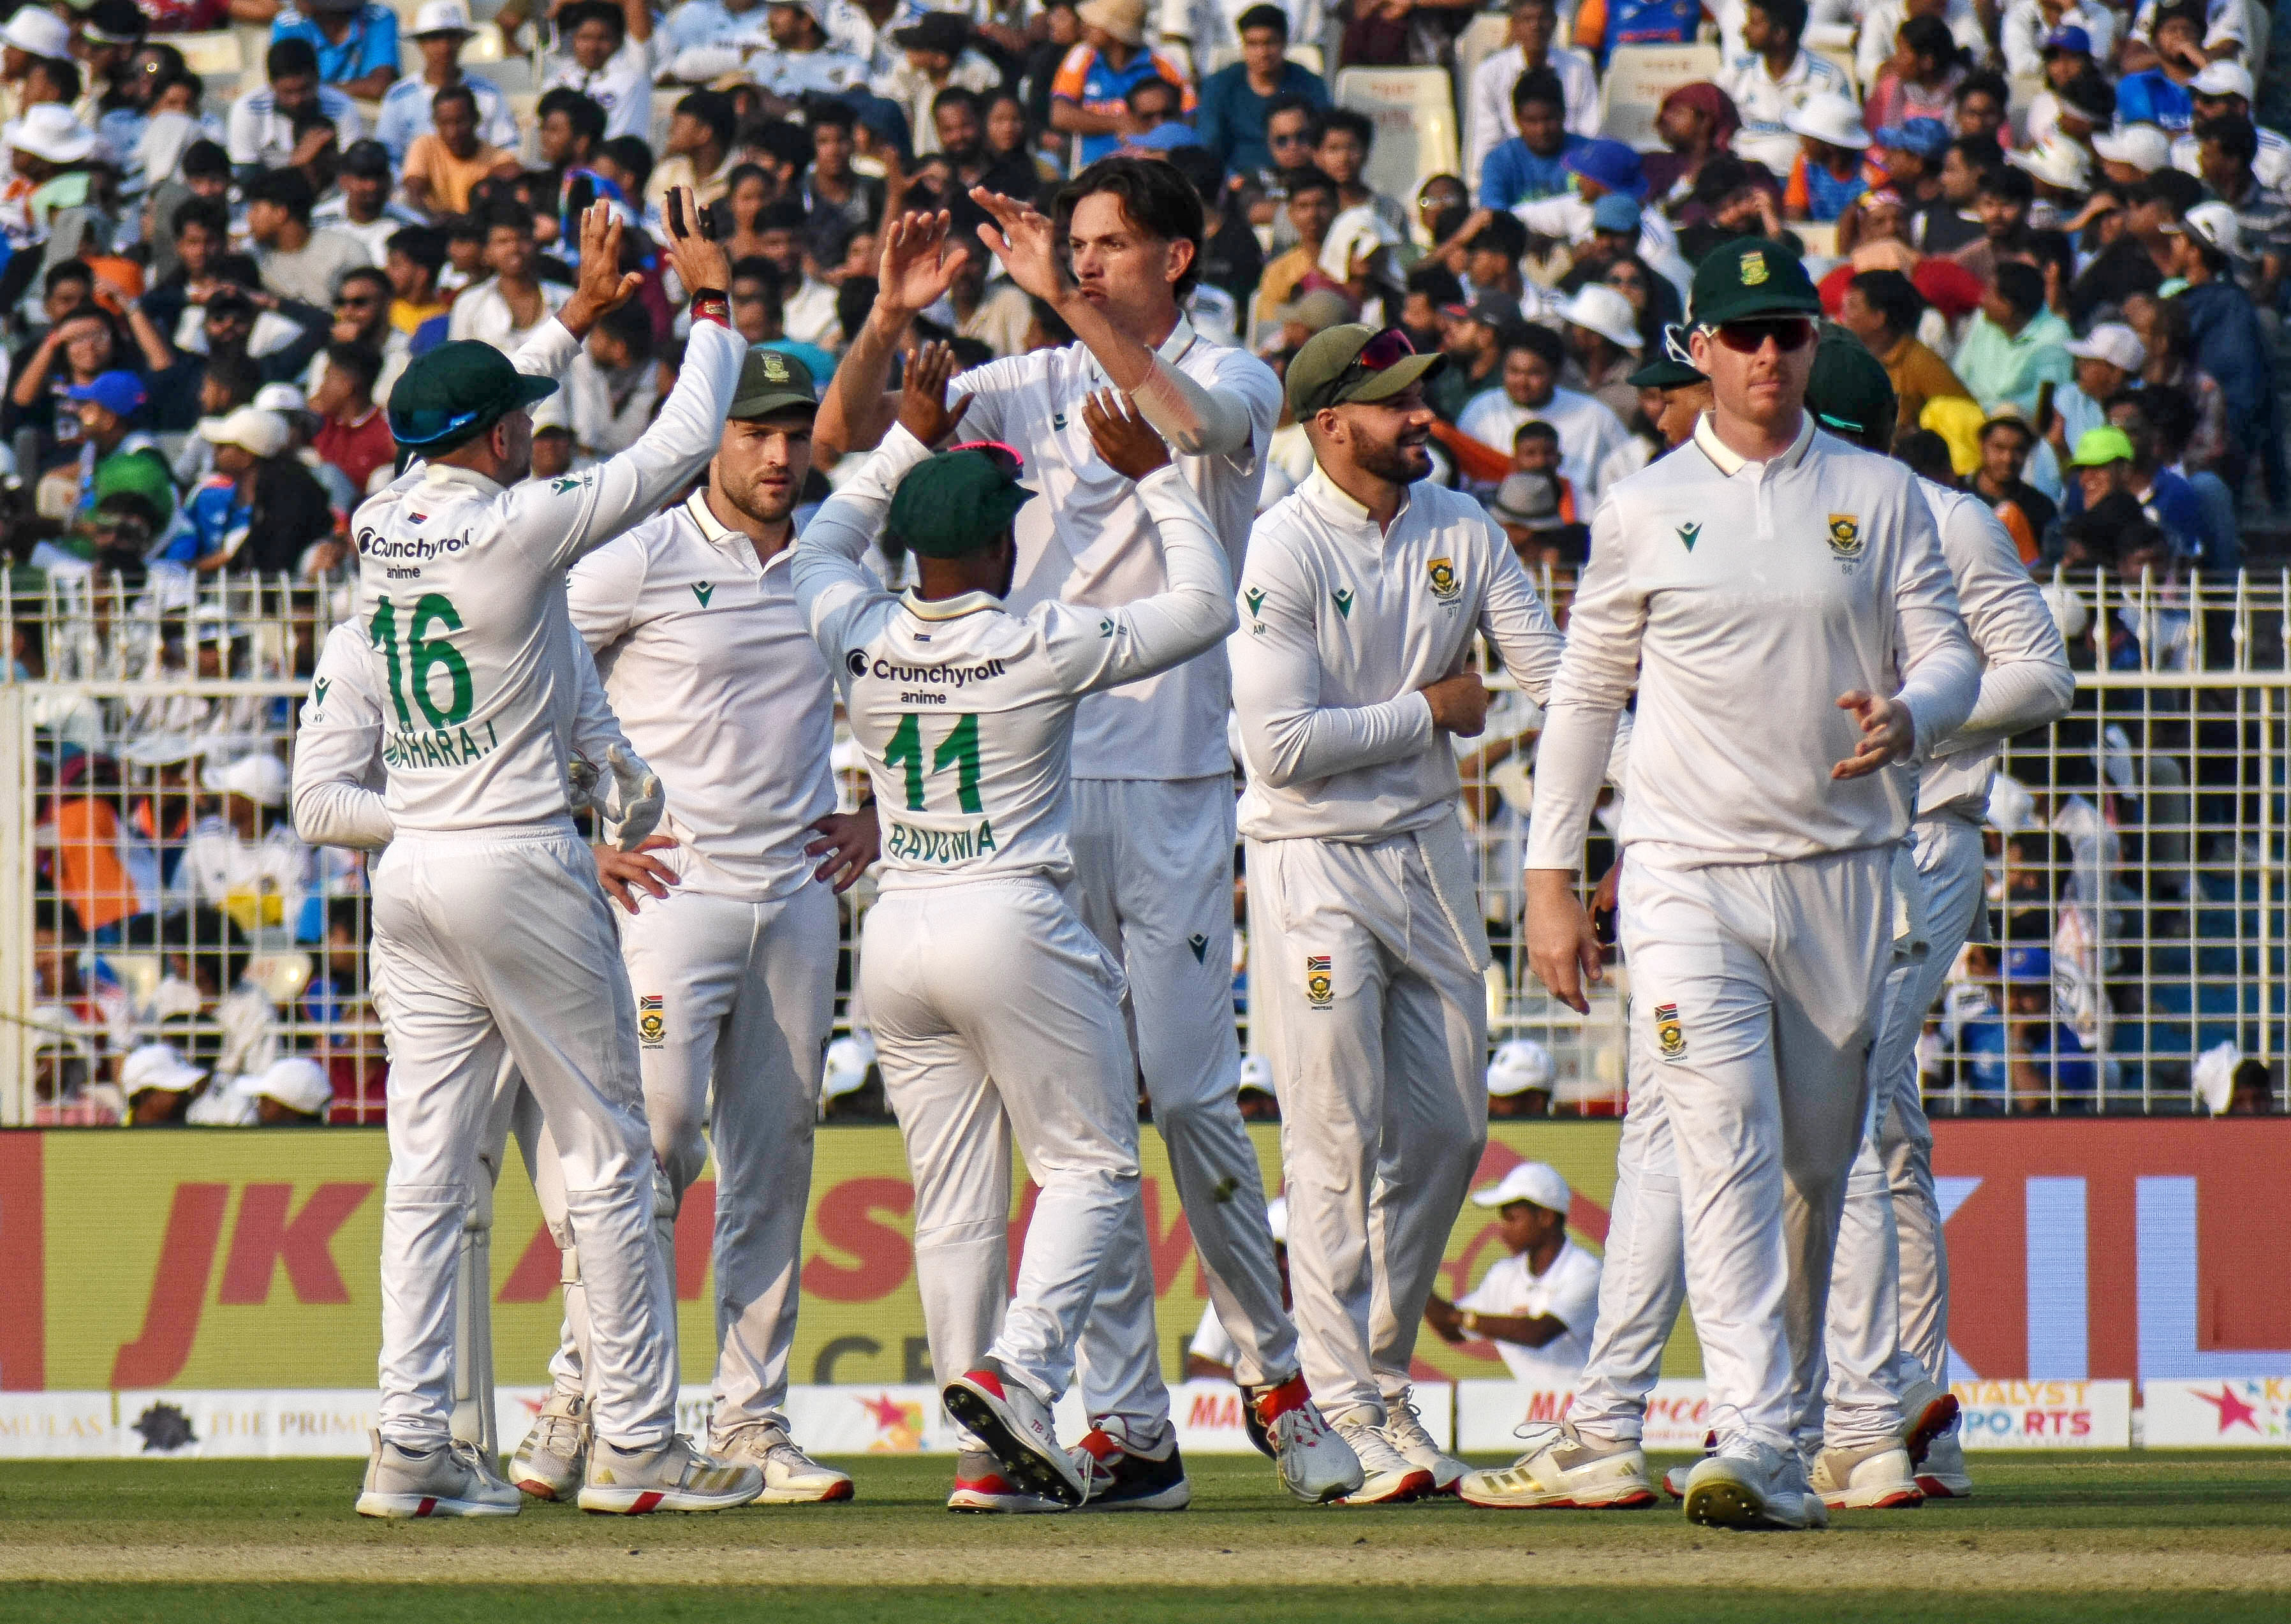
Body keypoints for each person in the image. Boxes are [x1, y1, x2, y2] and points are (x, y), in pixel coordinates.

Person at [817, 172, 1353, 1509]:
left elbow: (1188, 427)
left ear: (1178, 255)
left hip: (1168, 776)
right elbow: (844, 434)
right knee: (1082, 1119)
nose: (1092, 264)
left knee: (1186, 1095)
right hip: (1032, 785)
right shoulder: (1026, 378)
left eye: (1112, 247)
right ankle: (1128, 1424)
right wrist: (886, 320)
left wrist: (1061, 294)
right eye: (1079, 248)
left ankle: (1277, 1381)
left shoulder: (1231, 370)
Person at [1516, 240, 1977, 1530]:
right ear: (1698, 349)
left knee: (1818, 1170)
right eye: (1743, 334)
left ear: (1810, 343)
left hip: (1841, 871)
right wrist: (1551, 875)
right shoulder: (1640, 505)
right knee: (1721, 1141)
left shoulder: (1881, 494)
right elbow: (1585, 695)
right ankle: (1757, 1438)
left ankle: (1811, 1420)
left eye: (1786, 332)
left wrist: (1912, 713)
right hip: (1683, 875)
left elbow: (1948, 653)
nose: (1767, 355)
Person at [349, 195, 762, 1520]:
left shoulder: (377, 521)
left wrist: (572, 321)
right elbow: (682, 444)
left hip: (411, 868)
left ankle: (408, 1445)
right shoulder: (513, 525)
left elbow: (462, 427)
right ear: (494, 440)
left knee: (428, 1172)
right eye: (517, 420)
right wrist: (709, 303)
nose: (531, 430)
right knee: (609, 1158)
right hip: (518, 859)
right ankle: (636, 1445)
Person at [790, 342, 1241, 1512]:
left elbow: (820, 544)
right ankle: (1020, 1373)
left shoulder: (855, 629)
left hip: (896, 933)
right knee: (1091, 1166)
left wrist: (903, 440)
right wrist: (1154, 479)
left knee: (952, 1200)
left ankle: (982, 1458)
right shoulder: (1037, 641)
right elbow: (1205, 608)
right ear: (998, 548)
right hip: (1012, 919)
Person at [1229, 320, 1593, 1504]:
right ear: (1331, 423)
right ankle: (1344, 1404)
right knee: (1333, 1137)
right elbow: (1279, 749)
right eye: (1395, 402)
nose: (1422, 415)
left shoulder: (1459, 525)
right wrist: (1431, 707)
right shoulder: (1282, 545)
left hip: (1428, 855)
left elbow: (1554, 679)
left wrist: (1646, 785)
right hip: (1312, 861)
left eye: (1420, 394)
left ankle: (1380, 1386)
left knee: (1446, 1132)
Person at [509, 344, 876, 1505]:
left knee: (776, 1158)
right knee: (653, 1148)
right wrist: (574, 835)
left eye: (795, 433)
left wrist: (880, 810)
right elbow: (519, 674)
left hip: (797, 896)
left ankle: (751, 1423)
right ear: (712, 436)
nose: (779, 455)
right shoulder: (642, 554)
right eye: (755, 432)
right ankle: (585, 1394)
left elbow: (912, 681)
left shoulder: (832, 561)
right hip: (670, 892)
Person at [1769, 334, 2072, 1509]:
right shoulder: (1791, 520)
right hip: (1825, 847)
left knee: (1843, 1113)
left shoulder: (1949, 521)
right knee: (1885, 1127)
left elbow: (2041, 674)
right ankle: (1912, 1412)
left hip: (1924, 838)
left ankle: (1859, 1415)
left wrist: (1913, 719)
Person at [1424, 1162, 1602, 1389]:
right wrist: (1415, 1284)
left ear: (1546, 1217)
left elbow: (1537, 1333)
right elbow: (1454, 1331)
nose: (1503, 1230)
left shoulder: (1587, 1271)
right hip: (1535, 1406)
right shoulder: (1504, 1275)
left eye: (1512, 1218)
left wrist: (1460, 1317)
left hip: (1592, 1403)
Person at [1457, 323, 1632, 510]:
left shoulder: (1596, 416)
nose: (1522, 382)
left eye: (1534, 373)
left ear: (1556, 374)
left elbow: (1628, 473)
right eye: (1514, 371)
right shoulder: (1482, 410)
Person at [1466, 0, 1599, 186]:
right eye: (1527, 19)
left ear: (1554, 22)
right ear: (1514, 25)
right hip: (1513, 172)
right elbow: (1487, 140)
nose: (1535, 26)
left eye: (1543, 18)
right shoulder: (1489, 73)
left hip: (1567, 169)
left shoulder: (1579, 69)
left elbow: (1589, 132)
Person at [1050, 0, 1193, 172]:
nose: (1084, 26)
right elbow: (1060, 115)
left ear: (1115, 32)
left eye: (1095, 22)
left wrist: (1152, 132)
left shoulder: (1162, 63)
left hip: (1147, 173)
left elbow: (1190, 118)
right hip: (1090, 172)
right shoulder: (1082, 55)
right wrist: (1120, 122)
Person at [374, 0, 517, 163]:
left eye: (451, 37)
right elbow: (388, 157)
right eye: (435, 38)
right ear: (421, 44)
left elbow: (507, 148)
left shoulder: (489, 94)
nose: (444, 47)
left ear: (462, 41)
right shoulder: (399, 97)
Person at [1723, 0, 1853, 179]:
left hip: (1799, 178)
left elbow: (1838, 142)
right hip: (1741, 175)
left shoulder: (1827, 77)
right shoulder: (1737, 70)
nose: (1744, 30)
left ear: (1779, 34)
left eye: (1754, 23)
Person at [1195, 4, 1326, 181]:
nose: (1262, 53)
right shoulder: (1218, 86)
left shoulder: (1310, 85)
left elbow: (1323, 140)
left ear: (1285, 43)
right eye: (1253, 44)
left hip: (1301, 180)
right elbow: (1209, 146)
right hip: (1238, 182)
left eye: (1270, 43)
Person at [1839, 269, 1970, 436]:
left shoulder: (1921, 363)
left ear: (1878, 318)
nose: (1843, 316)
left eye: (1852, 307)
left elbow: (1965, 419)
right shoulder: (1845, 355)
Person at [1952, 261, 2072, 417]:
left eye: (1989, 295)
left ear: (2008, 307)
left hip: (2011, 422)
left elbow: (2045, 400)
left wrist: (1994, 411)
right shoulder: (1983, 319)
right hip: (1966, 411)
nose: (1982, 300)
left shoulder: (2055, 335)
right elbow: (1959, 372)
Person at [227, 39, 363, 176]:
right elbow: (246, 178)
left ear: (317, 79)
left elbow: (354, 172)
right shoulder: (248, 110)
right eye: (288, 92)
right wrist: (297, 163)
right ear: (272, 85)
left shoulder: (342, 107)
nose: (297, 100)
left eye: (304, 90)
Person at [447, 206, 574, 350]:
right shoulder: (469, 304)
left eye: (523, 239)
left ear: (535, 244)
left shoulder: (567, 301)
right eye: (503, 241)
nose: (514, 248)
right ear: (487, 252)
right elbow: (459, 360)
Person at [246, 165, 369, 309]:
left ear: (280, 213)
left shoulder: (345, 252)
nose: (249, 217)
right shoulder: (253, 260)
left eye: (256, 209)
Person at [1477, 68, 1589, 212]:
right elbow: (1493, 213)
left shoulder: (1589, 154)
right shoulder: (1498, 161)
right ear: (1517, 120)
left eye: (1549, 119)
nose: (1542, 130)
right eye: (1532, 121)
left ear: (1563, 114)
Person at [541, 0, 652, 144]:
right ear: (573, 40)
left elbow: (633, 2)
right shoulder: (557, 82)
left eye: (603, 39)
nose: (593, 47)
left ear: (618, 41)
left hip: (621, 155)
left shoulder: (634, 70)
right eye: (585, 38)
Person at [400, 83, 518, 217]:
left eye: (460, 122)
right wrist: (436, 219)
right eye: (445, 123)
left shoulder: (500, 159)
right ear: (435, 122)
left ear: (476, 119)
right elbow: (414, 192)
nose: (453, 133)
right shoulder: (424, 146)